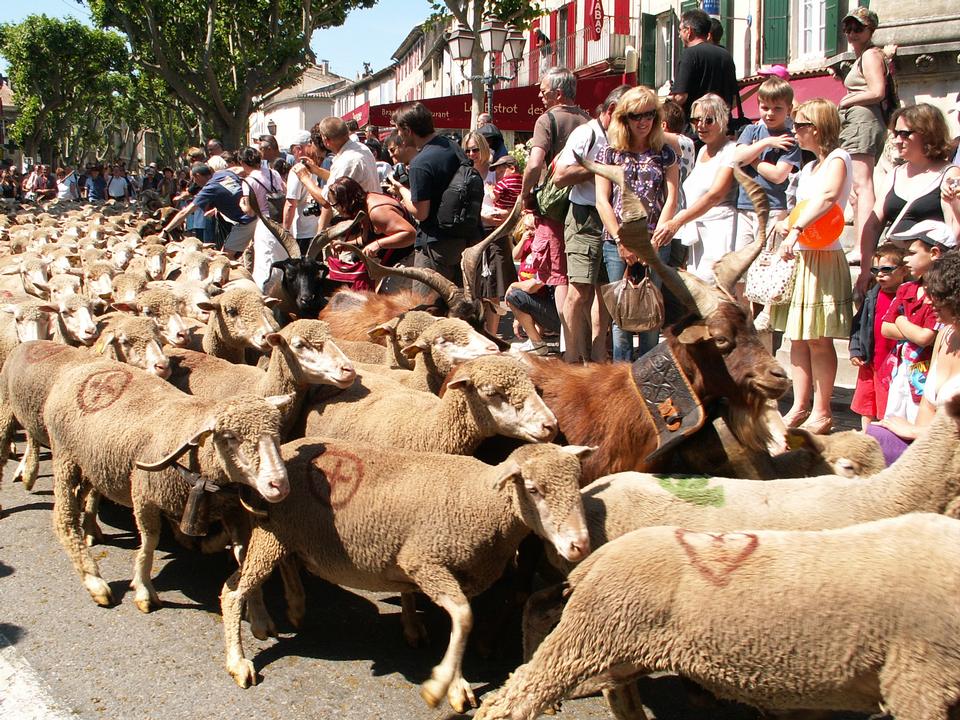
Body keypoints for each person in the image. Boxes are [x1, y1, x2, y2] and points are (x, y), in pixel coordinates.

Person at [772, 99, 855, 435]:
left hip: (821, 255)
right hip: (803, 255)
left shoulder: (838, 159)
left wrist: (794, 230)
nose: (795, 130)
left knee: (819, 338)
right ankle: (799, 405)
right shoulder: (808, 168)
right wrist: (786, 224)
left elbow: (826, 199)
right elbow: (805, 206)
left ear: (818, 128)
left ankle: (822, 410)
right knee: (798, 338)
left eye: (801, 125)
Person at [595, 86, 680, 361]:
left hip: (655, 240)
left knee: (652, 316)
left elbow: (671, 197)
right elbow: (602, 201)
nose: (643, 122)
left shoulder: (664, 152)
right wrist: (622, 241)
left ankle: (648, 378)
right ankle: (623, 378)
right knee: (623, 315)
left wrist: (655, 240)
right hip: (617, 242)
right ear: (624, 118)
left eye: (649, 115)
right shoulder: (609, 153)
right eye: (635, 116)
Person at [552, 84, 628, 362]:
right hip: (585, 217)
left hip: (612, 219)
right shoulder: (586, 133)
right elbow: (560, 176)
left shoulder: (624, 136)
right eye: (626, 116)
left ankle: (597, 356)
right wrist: (598, 170)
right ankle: (571, 360)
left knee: (606, 292)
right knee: (580, 290)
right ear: (610, 111)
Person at [519, 67, 592, 347]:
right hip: (586, 207)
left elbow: (535, 163)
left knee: (560, 278)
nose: (539, 94)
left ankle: (568, 344)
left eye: (543, 90)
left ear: (558, 93)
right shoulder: (589, 120)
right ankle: (585, 341)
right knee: (582, 281)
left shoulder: (547, 120)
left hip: (554, 211)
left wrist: (526, 197)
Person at [867, 248, 960, 464]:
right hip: (932, 451)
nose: (928, 302)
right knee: (872, 439)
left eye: (937, 295)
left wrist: (917, 433)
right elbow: (928, 406)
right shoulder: (946, 334)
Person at [855, 103, 960, 296]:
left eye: (905, 134)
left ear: (927, 134)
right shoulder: (895, 174)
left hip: (927, 278)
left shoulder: (950, 174)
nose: (896, 140)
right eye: (895, 133)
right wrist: (865, 269)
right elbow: (873, 225)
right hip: (892, 276)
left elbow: (955, 232)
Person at [389, 101, 481, 289]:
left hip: (436, 246)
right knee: (460, 307)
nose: (398, 135)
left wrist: (401, 190)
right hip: (465, 239)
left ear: (407, 129)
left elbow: (420, 212)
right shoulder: (451, 145)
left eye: (398, 130)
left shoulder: (420, 163)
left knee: (426, 309)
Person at [652, 94, 737, 285]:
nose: (701, 125)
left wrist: (676, 222)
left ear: (723, 120)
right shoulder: (702, 152)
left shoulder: (731, 150)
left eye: (708, 120)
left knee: (716, 294)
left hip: (720, 231)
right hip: (697, 233)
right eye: (696, 119)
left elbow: (714, 195)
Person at [879, 219, 955, 422]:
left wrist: (901, 321)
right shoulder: (906, 289)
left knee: (918, 421)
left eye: (912, 253)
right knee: (893, 420)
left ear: (934, 253)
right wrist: (911, 329)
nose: (905, 259)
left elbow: (925, 337)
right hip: (902, 370)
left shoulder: (942, 295)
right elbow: (885, 328)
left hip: (925, 375)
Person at [838, 7, 888, 269]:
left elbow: (878, 91)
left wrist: (848, 100)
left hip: (863, 121)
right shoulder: (864, 56)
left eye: (858, 28)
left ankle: (862, 246)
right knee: (857, 188)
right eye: (848, 28)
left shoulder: (870, 55)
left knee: (862, 184)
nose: (852, 33)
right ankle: (860, 243)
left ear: (870, 31)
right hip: (859, 122)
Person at [733, 76, 802, 253]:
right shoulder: (751, 130)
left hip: (773, 208)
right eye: (765, 108)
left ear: (789, 109)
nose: (770, 113)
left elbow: (778, 176)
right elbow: (738, 158)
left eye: (777, 108)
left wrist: (753, 158)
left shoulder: (790, 140)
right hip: (745, 206)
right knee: (742, 262)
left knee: (768, 260)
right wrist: (766, 143)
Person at [849, 243, 909, 428]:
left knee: (886, 402)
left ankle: (884, 435)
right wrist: (856, 349)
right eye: (875, 269)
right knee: (866, 400)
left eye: (886, 269)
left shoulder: (906, 296)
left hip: (892, 362)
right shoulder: (872, 295)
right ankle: (866, 433)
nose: (880, 274)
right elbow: (858, 324)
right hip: (870, 359)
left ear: (904, 271)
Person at [324, 176, 416, 290]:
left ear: (347, 201)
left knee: (387, 298)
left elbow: (411, 234)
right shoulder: (363, 208)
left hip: (410, 255)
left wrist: (378, 244)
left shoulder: (377, 211)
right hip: (394, 260)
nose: (335, 210)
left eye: (335, 205)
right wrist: (346, 246)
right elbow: (366, 239)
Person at [293, 117, 380, 232]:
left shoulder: (346, 161)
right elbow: (342, 181)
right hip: (369, 218)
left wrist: (304, 178)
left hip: (359, 226)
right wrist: (317, 170)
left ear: (326, 140)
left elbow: (327, 200)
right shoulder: (360, 148)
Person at [159, 162, 255, 255]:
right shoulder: (224, 173)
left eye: (193, 179)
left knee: (226, 256)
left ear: (197, 176)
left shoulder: (209, 189)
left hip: (247, 221)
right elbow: (239, 170)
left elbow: (184, 212)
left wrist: (165, 230)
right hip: (258, 212)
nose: (194, 182)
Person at [506, 212, 561, 355]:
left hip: (554, 309)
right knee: (519, 298)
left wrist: (513, 285)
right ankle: (536, 342)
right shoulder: (530, 243)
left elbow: (533, 286)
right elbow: (515, 255)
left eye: (533, 229)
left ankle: (538, 344)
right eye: (526, 229)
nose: (530, 232)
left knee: (514, 296)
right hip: (546, 304)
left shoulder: (548, 250)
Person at [668, 9, 738, 119]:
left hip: (695, 127)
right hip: (722, 126)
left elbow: (681, 97)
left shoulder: (689, 55)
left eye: (680, 30)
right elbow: (733, 98)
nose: (679, 35)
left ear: (689, 31)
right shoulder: (726, 55)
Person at [239, 146, 287, 292]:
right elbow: (284, 191)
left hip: (265, 224)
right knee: (282, 256)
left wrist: (241, 204)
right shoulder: (274, 173)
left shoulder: (248, 181)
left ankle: (267, 293)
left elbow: (250, 211)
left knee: (265, 261)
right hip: (280, 220)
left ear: (242, 162)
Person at [283, 128, 324, 254]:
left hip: (302, 232)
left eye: (292, 150)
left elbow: (290, 204)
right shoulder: (315, 167)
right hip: (316, 229)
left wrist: (284, 233)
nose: (292, 153)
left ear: (298, 149)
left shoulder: (297, 170)